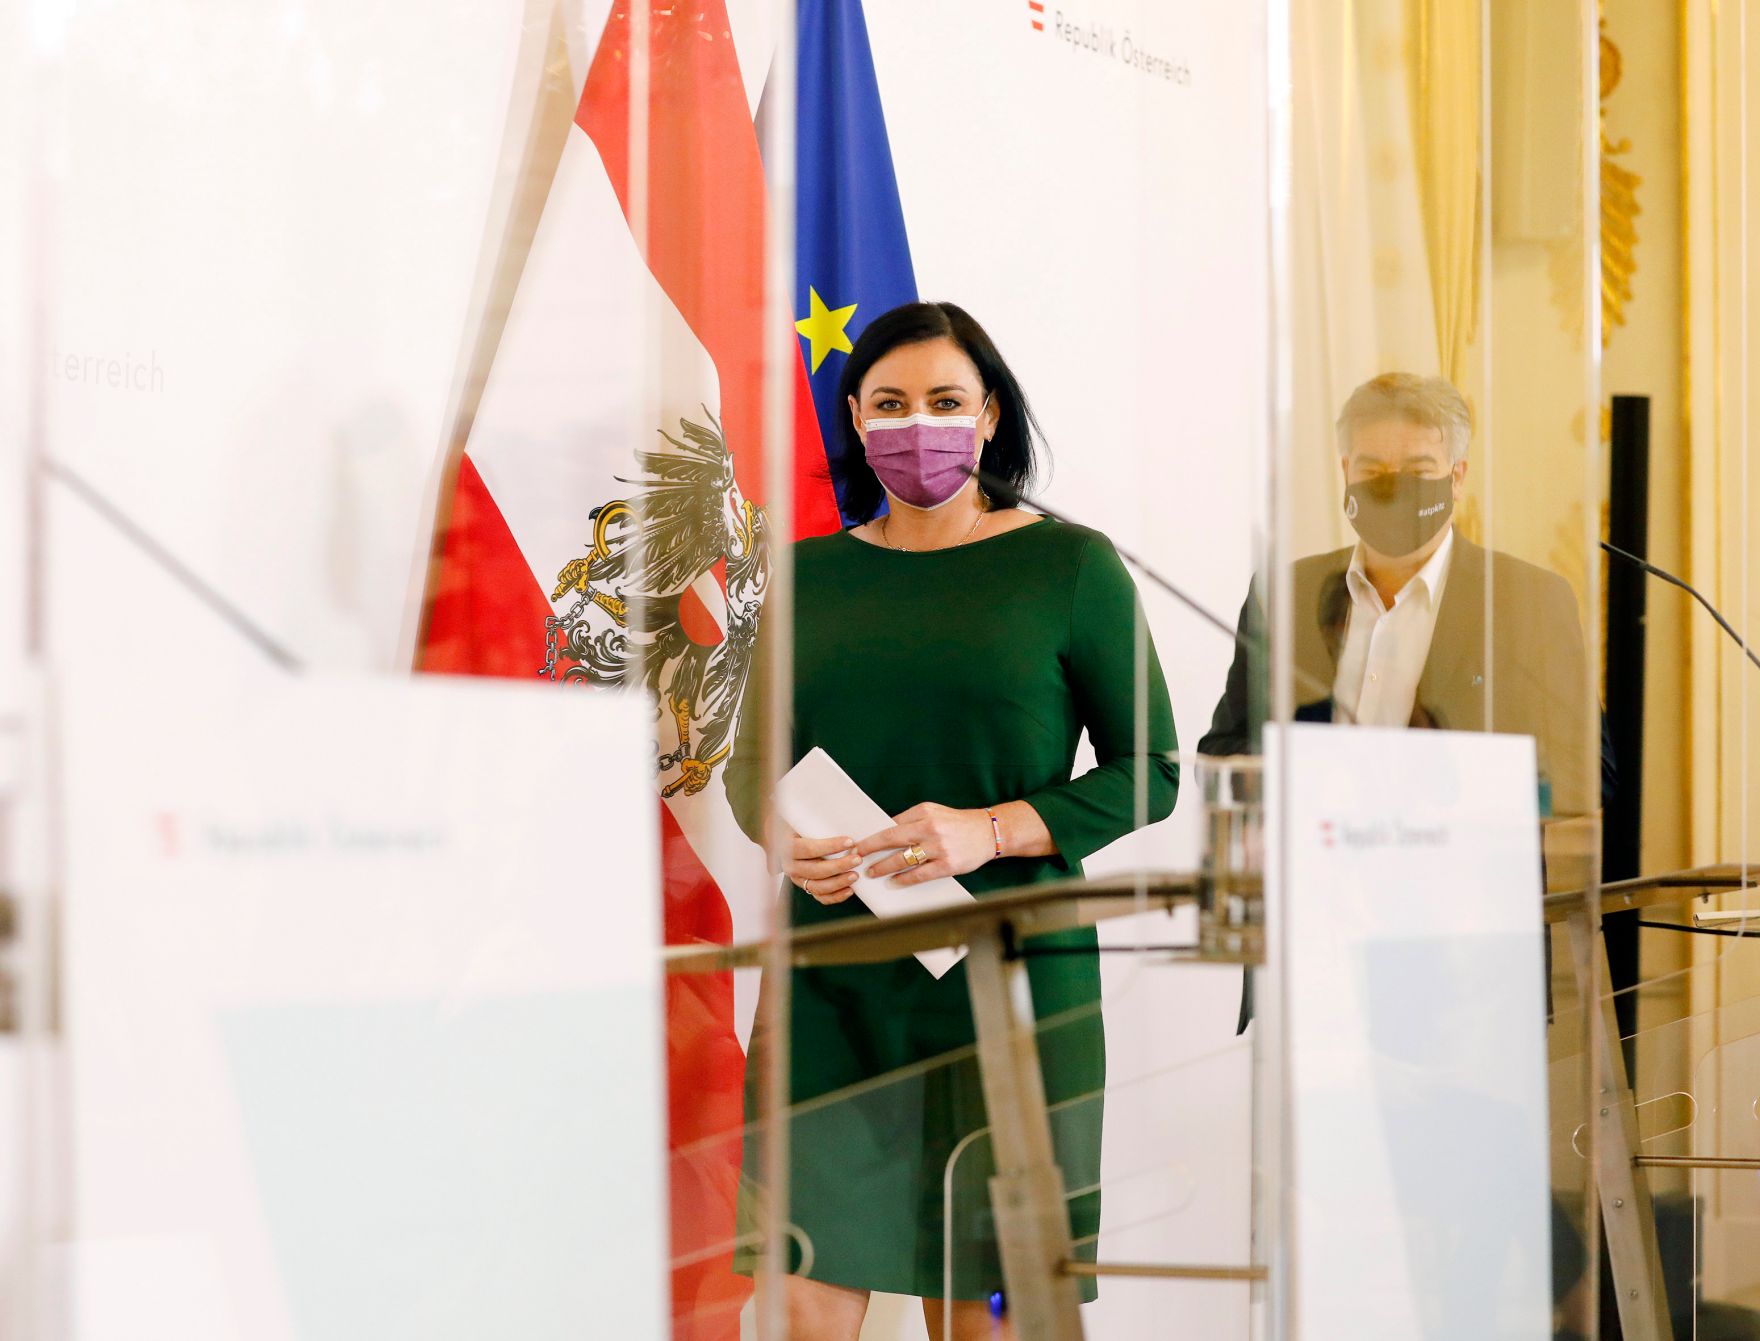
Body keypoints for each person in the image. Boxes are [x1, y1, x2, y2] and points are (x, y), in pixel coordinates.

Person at [726, 300, 1178, 1341]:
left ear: (985, 418)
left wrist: (993, 828)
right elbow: (756, 761)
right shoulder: (804, 573)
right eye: (887, 403)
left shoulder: (1070, 567)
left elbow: (1151, 770)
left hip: (1006, 987)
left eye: (941, 401)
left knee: (983, 1318)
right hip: (832, 983)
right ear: (852, 416)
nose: (913, 423)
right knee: (799, 1299)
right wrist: (782, 840)